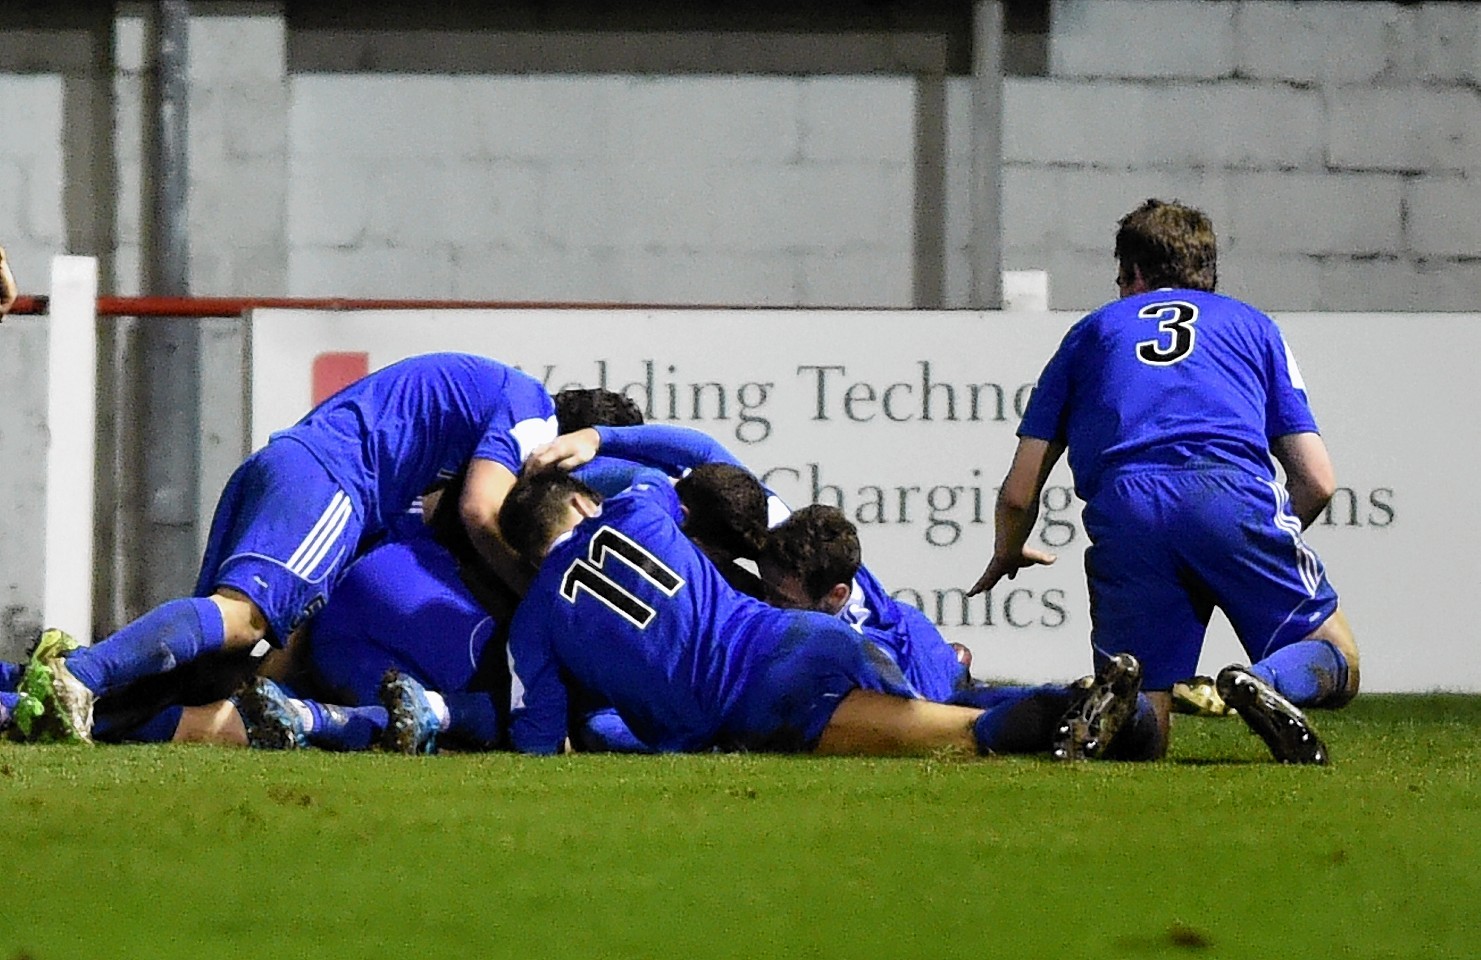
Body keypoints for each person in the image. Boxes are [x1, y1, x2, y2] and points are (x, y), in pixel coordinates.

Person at [968, 198, 1358, 765]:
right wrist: (1251, 537)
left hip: (1127, 508)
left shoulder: (1092, 332)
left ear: (1136, 275)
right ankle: (1269, 680)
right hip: (1230, 493)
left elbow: (1019, 490)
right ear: (1208, 273)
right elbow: (1318, 480)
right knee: (1332, 652)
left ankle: (1118, 694)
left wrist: (1007, 551)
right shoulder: (1253, 326)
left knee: (1145, 715)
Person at [19, 352, 557, 744]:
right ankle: (79, 674)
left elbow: (444, 507)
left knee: (213, 665)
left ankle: (34, 703)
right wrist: (542, 599)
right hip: (334, 478)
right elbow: (480, 510)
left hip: (291, 466)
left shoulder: (460, 426)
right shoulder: (532, 405)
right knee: (241, 621)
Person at [498, 468, 1148, 761]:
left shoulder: (533, 621)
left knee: (958, 736)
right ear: (584, 504)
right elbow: (692, 470)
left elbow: (537, 738)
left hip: (757, 696)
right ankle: (1112, 712)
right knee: (958, 712)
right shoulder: (638, 506)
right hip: (793, 634)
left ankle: (1082, 714)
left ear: (529, 555)